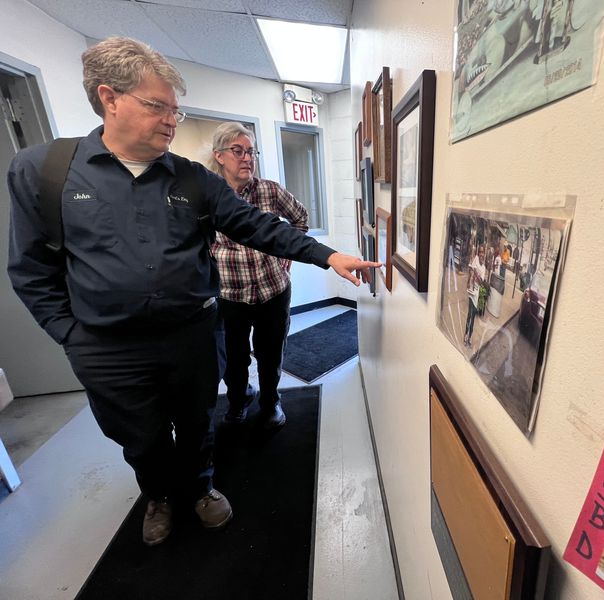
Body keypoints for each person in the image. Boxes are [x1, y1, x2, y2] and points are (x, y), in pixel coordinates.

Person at [5, 37, 378, 547]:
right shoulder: (44, 171)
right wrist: (70, 335)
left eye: (174, 109)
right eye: (156, 106)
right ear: (110, 98)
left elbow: (254, 223)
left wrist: (328, 256)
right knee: (140, 435)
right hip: (106, 347)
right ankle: (158, 495)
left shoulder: (193, 179)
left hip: (191, 336)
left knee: (199, 419)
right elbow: (30, 268)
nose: (170, 120)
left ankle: (201, 487)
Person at [207, 121, 302, 428]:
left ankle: (271, 401)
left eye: (251, 151)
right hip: (228, 296)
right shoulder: (207, 197)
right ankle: (238, 400)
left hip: (272, 292)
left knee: (270, 354)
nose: (247, 158)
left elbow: (299, 218)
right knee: (232, 358)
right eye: (238, 151)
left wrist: (286, 253)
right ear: (219, 156)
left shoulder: (269, 191)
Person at [464, 245, 486, 347]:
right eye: (480, 252)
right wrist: (471, 278)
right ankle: (465, 335)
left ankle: (469, 338)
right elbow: (471, 271)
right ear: (478, 253)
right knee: (469, 314)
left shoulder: (484, 267)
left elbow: (481, 282)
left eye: (483, 252)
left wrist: (475, 272)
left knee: (473, 316)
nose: (481, 254)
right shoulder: (475, 259)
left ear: (484, 254)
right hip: (471, 290)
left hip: (476, 293)